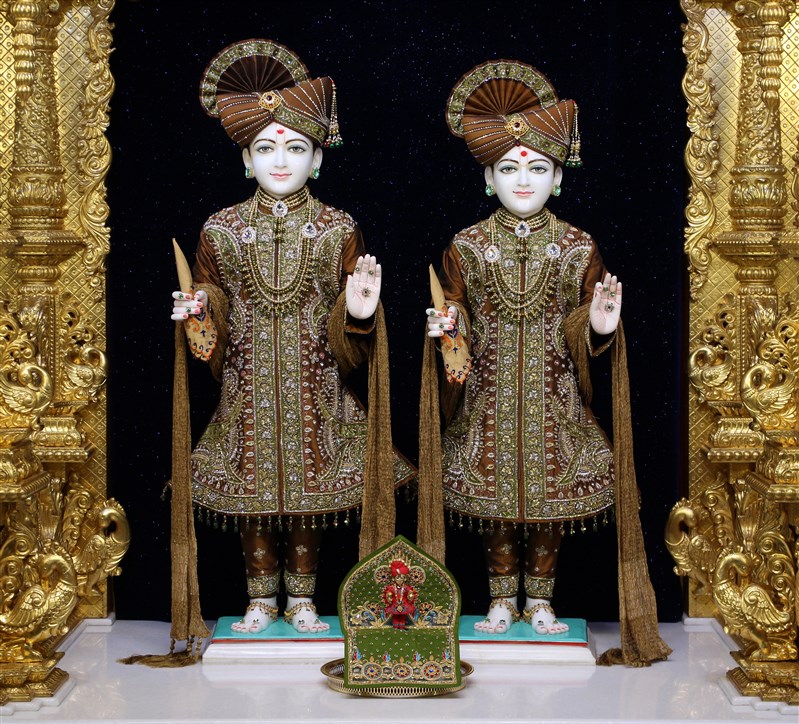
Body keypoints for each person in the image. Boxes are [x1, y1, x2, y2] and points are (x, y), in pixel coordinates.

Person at [419, 60, 669, 665]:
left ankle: (541, 601)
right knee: (496, 504)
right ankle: (500, 600)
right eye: (508, 168)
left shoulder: (577, 245)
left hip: (555, 403)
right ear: (488, 176)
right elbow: (455, 309)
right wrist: (448, 327)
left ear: (558, 175)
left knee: (548, 503)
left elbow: (584, 319)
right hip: (488, 403)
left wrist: (600, 323)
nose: (523, 179)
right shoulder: (467, 245)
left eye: (536, 167)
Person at [170, 39, 412, 635]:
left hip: (316, 388)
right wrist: (200, 310)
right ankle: (259, 598)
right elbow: (211, 298)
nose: (280, 161)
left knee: (310, 493)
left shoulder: (338, 228)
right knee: (253, 490)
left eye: (296, 148)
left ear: (318, 159)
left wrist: (359, 311)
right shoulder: (221, 228)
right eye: (266, 148)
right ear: (246, 158)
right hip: (247, 387)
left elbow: (350, 325)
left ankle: (302, 597)